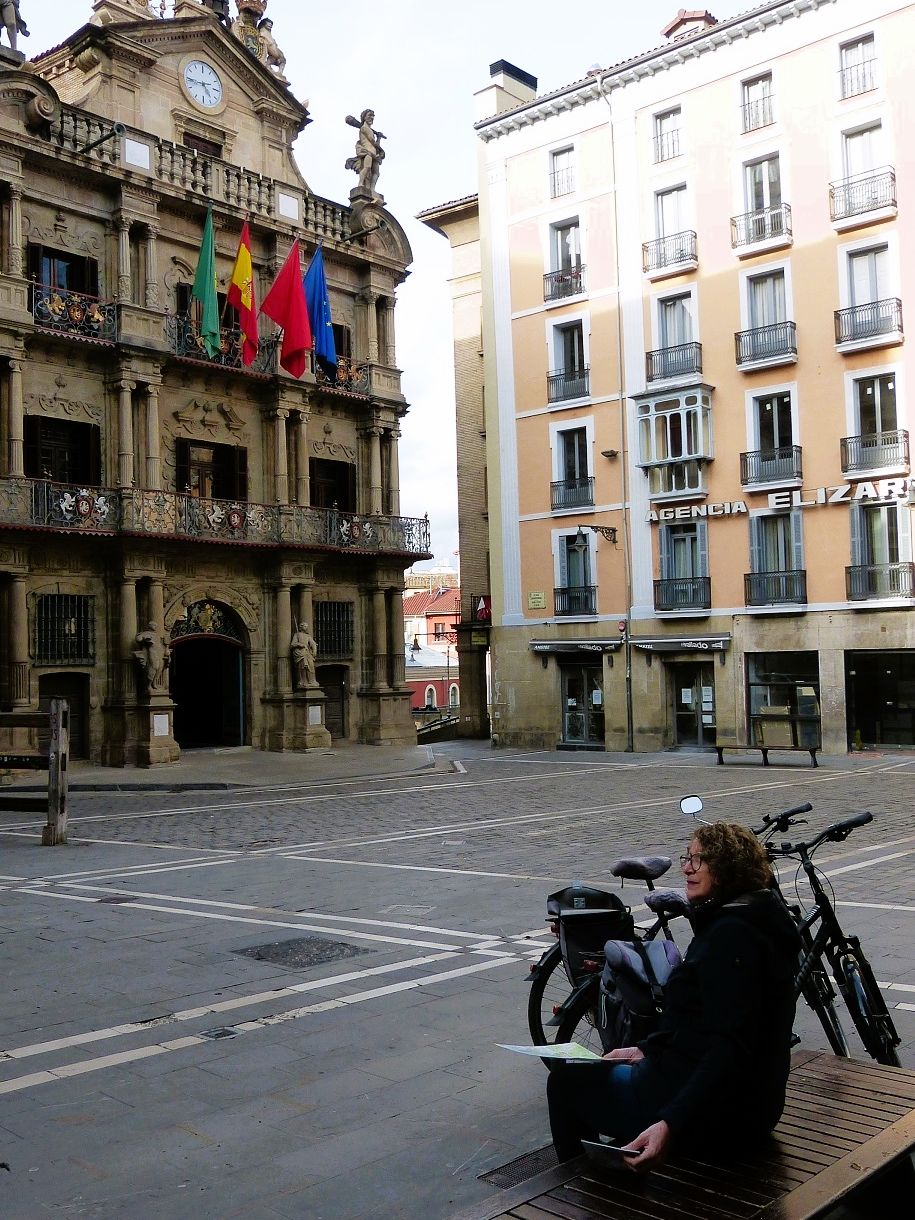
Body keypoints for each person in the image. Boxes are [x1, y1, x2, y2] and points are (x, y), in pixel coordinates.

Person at [547, 821, 801, 1174]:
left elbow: (730, 1046)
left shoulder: (731, 938)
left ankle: (581, 1191)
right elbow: (703, 1022)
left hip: (721, 1117)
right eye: (688, 857)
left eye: (699, 860)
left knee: (564, 1083)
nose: (686, 867)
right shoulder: (755, 919)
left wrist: (671, 1124)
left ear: (726, 868)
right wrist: (646, 1049)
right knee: (595, 1076)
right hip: (748, 1103)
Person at [291, 622, 318, 689]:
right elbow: (292, 644)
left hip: (307, 653)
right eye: (305, 626)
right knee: (302, 667)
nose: (306, 628)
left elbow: (313, 643)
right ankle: (303, 681)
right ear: (301, 627)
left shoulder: (307, 636)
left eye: (306, 626)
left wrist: (314, 650)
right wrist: (300, 644)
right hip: (300, 653)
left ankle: (312, 680)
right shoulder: (297, 635)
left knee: (311, 665)